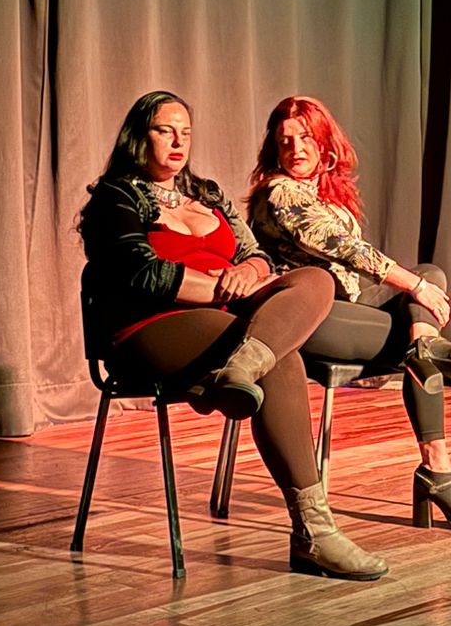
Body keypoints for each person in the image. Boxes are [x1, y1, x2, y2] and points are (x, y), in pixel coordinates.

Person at [79, 91, 388, 581]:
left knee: (315, 280)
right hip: (152, 326)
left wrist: (251, 270)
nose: (178, 142)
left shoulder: (207, 194)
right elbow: (143, 274)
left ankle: (238, 370)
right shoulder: (115, 198)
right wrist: (226, 286)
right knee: (281, 359)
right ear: (139, 136)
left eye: (185, 132)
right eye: (164, 131)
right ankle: (315, 532)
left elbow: (254, 253)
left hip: (227, 316)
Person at [248, 95, 451, 532]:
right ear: (275, 149)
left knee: (431, 274)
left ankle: (427, 350)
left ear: (324, 142)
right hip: (310, 317)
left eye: (305, 137)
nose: (296, 149)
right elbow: (343, 248)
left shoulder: (325, 192)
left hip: (350, 307)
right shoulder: (280, 192)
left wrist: (419, 284)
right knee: (419, 300)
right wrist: (412, 286)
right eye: (285, 141)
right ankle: (438, 470)